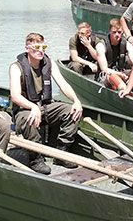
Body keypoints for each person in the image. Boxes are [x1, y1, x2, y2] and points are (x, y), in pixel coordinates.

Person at [9, 32, 84, 173]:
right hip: (24, 109)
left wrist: (76, 101)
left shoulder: (48, 63)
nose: (41, 51)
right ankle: (35, 159)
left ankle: (62, 153)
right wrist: (32, 107)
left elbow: (63, 84)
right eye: (36, 47)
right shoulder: (16, 67)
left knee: (71, 111)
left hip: (45, 106)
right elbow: (15, 96)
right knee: (29, 119)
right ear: (27, 48)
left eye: (44, 47)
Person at [95, 18, 133, 90]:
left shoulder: (126, 43)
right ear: (109, 31)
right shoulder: (101, 45)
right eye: (114, 32)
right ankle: (124, 90)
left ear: (122, 31)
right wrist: (119, 74)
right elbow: (104, 69)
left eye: (119, 32)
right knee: (113, 76)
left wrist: (132, 73)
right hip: (105, 76)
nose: (117, 35)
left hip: (121, 72)